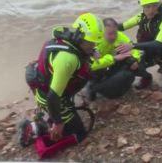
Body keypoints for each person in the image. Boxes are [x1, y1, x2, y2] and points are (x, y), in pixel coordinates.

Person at [21, 13, 104, 152]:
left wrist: (91, 51)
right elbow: (53, 97)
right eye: (90, 43)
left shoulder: (68, 36)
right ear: (80, 37)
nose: (93, 45)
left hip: (46, 84)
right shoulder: (68, 59)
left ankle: (47, 116)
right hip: (49, 95)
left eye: (94, 42)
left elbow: (82, 48)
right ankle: (35, 128)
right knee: (80, 133)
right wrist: (58, 123)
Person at [88, 18, 141, 99]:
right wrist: (114, 58)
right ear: (102, 32)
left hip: (111, 63)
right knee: (92, 71)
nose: (113, 37)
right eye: (110, 34)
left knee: (131, 64)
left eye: (115, 33)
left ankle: (115, 88)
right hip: (99, 67)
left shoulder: (120, 36)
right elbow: (90, 66)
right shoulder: (94, 40)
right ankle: (93, 88)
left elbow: (134, 49)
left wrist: (136, 59)